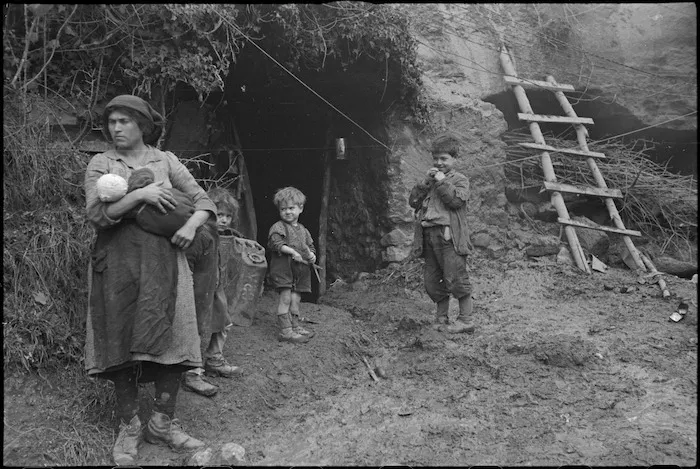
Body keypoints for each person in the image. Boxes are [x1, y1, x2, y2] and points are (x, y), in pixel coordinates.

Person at [84, 94, 217, 465]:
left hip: (166, 265)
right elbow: (97, 214)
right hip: (118, 263)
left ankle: (162, 423)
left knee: (172, 334)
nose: (115, 128)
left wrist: (191, 225)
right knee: (120, 337)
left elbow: (204, 200)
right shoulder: (102, 163)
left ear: (142, 125)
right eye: (111, 122)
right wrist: (140, 193)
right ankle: (129, 427)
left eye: (124, 121)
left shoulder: (166, 160)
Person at [408, 133, 475, 334]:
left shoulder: (460, 180)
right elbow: (413, 202)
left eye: (444, 159)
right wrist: (424, 183)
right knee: (431, 281)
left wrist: (442, 181)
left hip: (449, 236)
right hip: (429, 236)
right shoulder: (430, 181)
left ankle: (466, 320)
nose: (439, 162)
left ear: (454, 159)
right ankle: (441, 317)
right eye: (436, 158)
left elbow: (455, 201)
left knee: (455, 277)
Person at [181, 187, 243, 397]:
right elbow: (187, 261)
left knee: (223, 321)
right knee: (195, 328)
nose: (224, 220)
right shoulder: (202, 234)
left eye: (228, 216)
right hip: (198, 291)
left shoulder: (221, 235)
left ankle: (214, 358)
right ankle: (192, 372)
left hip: (215, 289)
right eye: (219, 215)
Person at [267, 186, 317, 343]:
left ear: (300, 209)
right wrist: (291, 252)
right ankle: (285, 330)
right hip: (284, 269)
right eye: (283, 209)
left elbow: (310, 247)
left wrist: (311, 255)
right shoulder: (278, 227)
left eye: (291, 208)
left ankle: (295, 326)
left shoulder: (303, 230)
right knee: (286, 298)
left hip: (300, 270)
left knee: (296, 299)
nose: (288, 212)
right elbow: (276, 243)